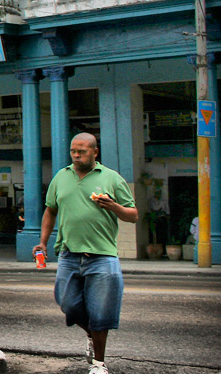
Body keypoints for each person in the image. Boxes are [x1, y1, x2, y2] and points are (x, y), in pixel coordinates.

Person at [34, 132, 138, 374]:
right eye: (73, 151)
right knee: (67, 303)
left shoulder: (111, 178)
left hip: (102, 256)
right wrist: (42, 242)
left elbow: (133, 215)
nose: (77, 155)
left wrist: (113, 206)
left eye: (82, 151)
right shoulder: (61, 176)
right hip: (69, 255)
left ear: (95, 152)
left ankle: (99, 364)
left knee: (101, 311)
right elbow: (50, 210)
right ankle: (93, 333)